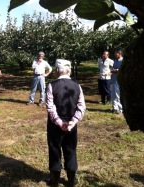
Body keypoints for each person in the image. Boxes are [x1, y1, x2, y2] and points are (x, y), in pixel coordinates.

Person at [45, 59, 86, 187]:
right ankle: (71, 180)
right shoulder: (77, 86)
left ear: (57, 70)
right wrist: (72, 122)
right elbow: (81, 107)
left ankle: (54, 180)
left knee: (54, 149)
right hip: (71, 125)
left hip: (54, 125)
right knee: (71, 150)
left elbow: (50, 107)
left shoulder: (51, 86)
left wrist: (58, 122)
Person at [111, 49, 123, 114]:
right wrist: (112, 70)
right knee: (113, 95)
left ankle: (120, 109)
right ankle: (114, 108)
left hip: (119, 80)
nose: (115, 55)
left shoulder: (123, 60)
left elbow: (122, 69)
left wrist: (116, 70)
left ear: (119, 53)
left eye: (116, 54)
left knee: (118, 95)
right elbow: (114, 68)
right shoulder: (115, 60)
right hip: (113, 79)